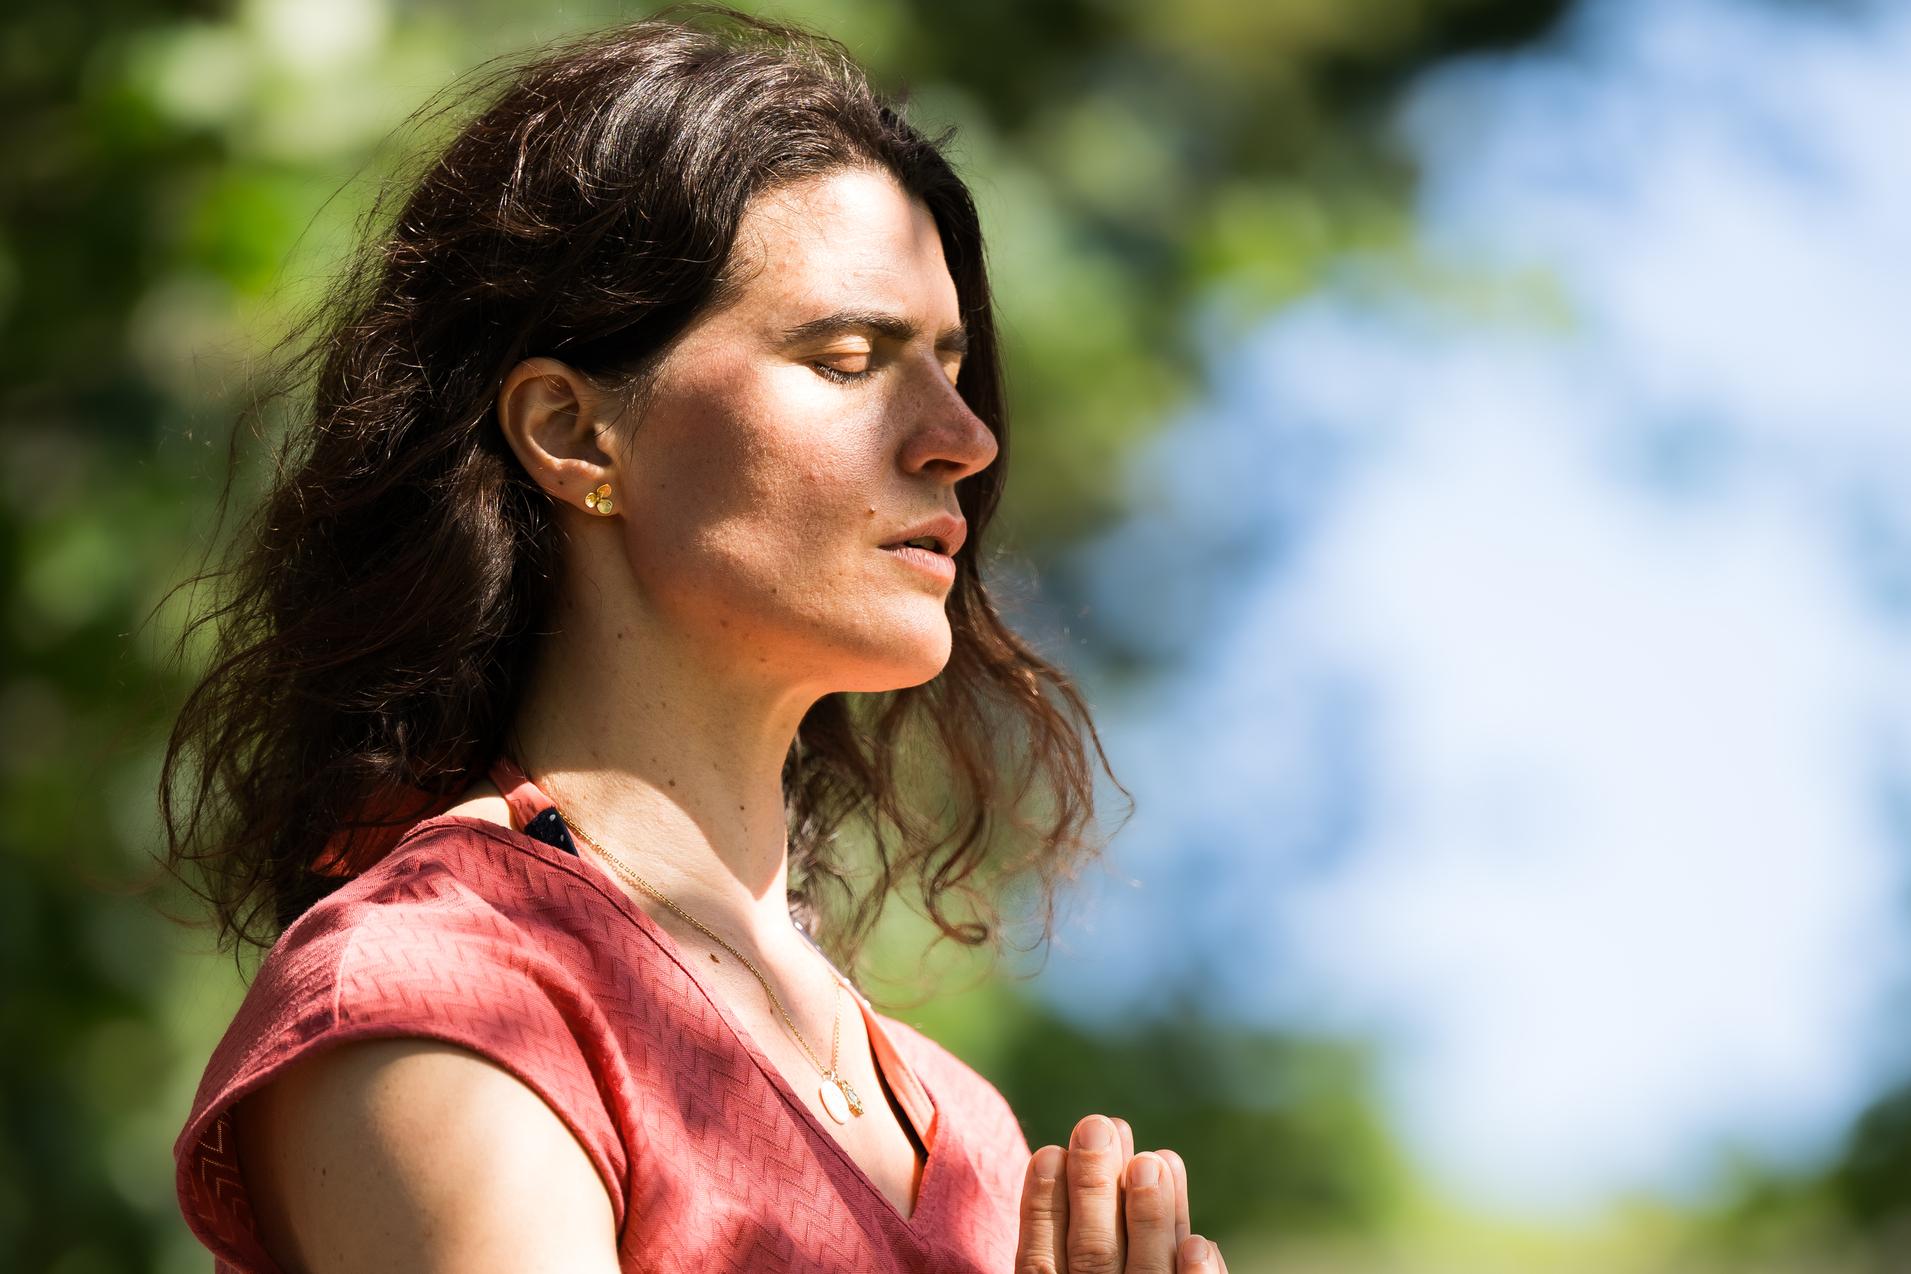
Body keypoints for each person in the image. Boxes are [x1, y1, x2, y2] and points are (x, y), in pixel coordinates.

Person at [160, 5, 1230, 1271]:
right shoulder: (449, 992)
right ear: (573, 431)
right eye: (846, 355)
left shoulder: (976, 1139)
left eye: (951, 361)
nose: (964, 434)